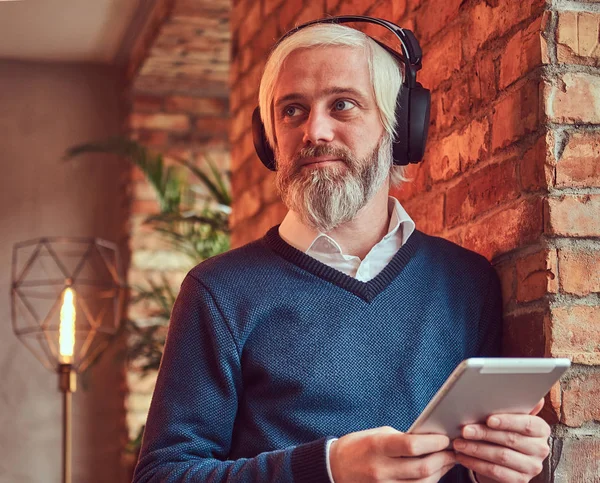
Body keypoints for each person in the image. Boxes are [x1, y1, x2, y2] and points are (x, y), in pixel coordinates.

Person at [132, 19, 551, 483]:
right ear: (268, 139)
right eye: (292, 110)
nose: (315, 131)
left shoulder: (466, 281)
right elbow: (162, 476)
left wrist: (496, 470)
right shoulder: (218, 292)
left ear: (399, 126)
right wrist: (327, 468)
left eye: (343, 104)